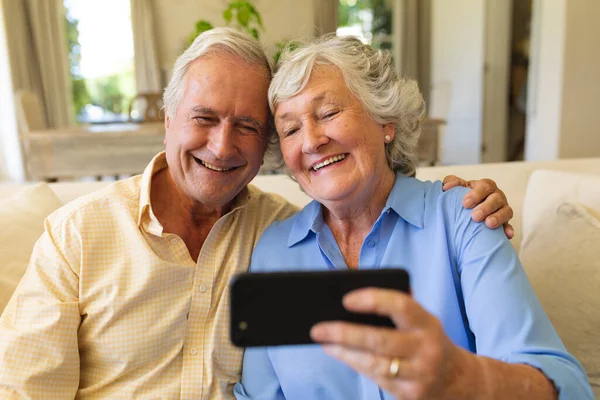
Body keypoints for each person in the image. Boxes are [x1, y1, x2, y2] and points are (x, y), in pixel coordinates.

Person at [0, 28, 513, 399]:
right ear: (168, 120)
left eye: (247, 126)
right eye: (204, 119)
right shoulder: (78, 236)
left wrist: (460, 205)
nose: (222, 148)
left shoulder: (284, 238)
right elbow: (24, 390)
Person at [234, 35, 594, 400]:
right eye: (291, 129)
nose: (310, 141)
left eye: (328, 113)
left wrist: (464, 378)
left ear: (386, 121)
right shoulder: (273, 252)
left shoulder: (462, 217)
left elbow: (568, 389)